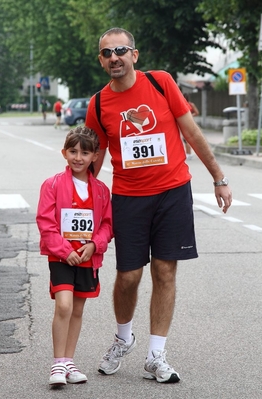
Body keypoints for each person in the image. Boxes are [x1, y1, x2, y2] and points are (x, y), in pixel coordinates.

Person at [85, 27, 232, 384]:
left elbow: (192, 134)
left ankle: (156, 355)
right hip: (128, 198)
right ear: (102, 61)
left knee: (165, 272)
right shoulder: (99, 103)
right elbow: (94, 157)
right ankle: (124, 339)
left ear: (135, 55)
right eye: (107, 53)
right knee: (128, 276)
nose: (115, 57)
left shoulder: (161, 82)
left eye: (121, 50)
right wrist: (79, 202)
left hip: (172, 192)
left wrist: (219, 178)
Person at [36, 126, 113, 387]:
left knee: (78, 310)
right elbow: (45, 223)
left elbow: (107, 224)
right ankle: (58, 363)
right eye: (73, 151)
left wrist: (95, 244)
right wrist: (64, 250)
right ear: (64, 153)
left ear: (95, 157)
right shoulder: (52, 184)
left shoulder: (102, 190)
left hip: (87, 259)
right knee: (64, 306)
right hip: (61, 257)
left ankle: (69, 361)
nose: (78, 157)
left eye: (85, 152)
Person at [183, 93, 200, 159]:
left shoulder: (183, 104)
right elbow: (197, 113)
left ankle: (188, 154)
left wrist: (187, 117)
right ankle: (188, 153)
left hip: (184, 123)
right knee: (187, 139)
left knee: (186, 139)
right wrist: (191, 116)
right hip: (190, 122)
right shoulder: (191, 104)